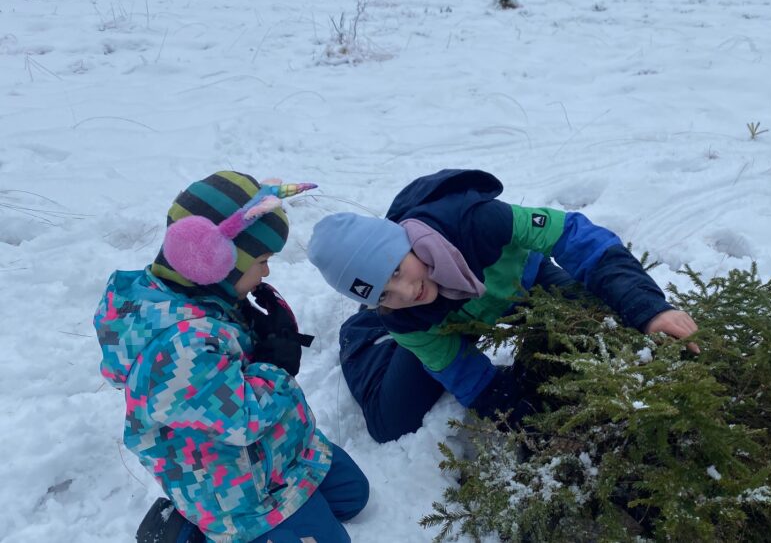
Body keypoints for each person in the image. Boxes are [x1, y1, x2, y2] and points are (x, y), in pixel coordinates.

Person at [307, 168, 698, 443]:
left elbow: (579, 238)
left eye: (395, 270)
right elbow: (467, 376)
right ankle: (365, 333)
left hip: (516, 286)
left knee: (603, 322)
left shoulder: (478, 221)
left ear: (402, 243)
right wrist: (529, 422)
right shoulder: (405, 315)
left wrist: (650, 309)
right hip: (447, 324)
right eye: (382, 294)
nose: (406, 292)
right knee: (391, 424)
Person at [93, 171, 369, 543]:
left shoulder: (206, 298)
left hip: (278, 451)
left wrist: (258, 331)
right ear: (211, 259)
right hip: (232, 489)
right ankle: (186, 532)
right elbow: (243, 419)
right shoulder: (177, 346)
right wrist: (277, 364)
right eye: (262, 260)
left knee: (353, 496)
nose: (267, 270)